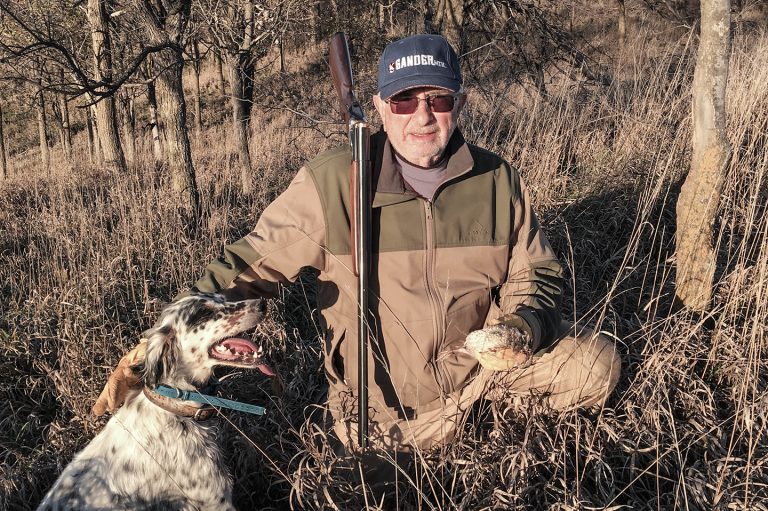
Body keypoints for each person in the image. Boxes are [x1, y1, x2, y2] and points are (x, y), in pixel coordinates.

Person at [94, 34, 620, 464]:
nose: (422, 117)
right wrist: (167, 331)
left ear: (459, 102)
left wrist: (522, 329)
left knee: (596, 365)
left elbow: (539, 276)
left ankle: (495, 438)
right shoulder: (333, 183)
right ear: (378, 108)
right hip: (376, 419)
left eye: (437, 99)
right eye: (403, 100)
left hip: (480, 386)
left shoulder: (497, 179)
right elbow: (250, 263)